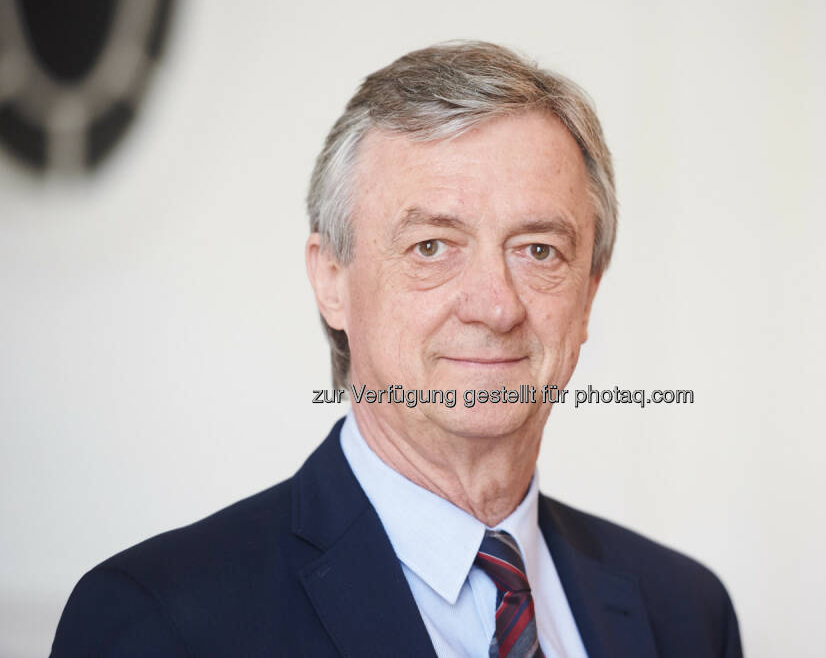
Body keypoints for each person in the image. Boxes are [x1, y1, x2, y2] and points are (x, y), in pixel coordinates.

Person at [51, 41, 742, 658]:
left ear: (587, 296)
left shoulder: (685, 613)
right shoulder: (160, 618)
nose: (495, 305)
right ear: (332, 281)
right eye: (432, 247)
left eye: (539, 250)